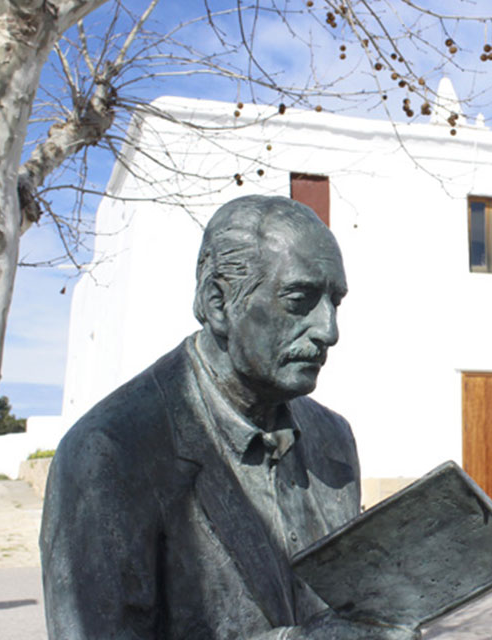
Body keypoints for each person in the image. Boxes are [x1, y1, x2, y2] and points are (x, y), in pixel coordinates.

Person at [41, 195, 418, 639]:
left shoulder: (332, 438)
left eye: (335, 302)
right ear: (218, 302)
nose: (329, 331)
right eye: (300, 299)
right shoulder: (110, 453)